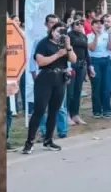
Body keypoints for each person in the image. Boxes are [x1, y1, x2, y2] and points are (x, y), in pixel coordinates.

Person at [22, 22, 76, 154]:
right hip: (45, 78)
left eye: (63, 32)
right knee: (39, 110)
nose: (60, 35)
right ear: (52, 31)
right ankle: (29, 142)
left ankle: (48, 140)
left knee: (54, 111)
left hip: (60, 79)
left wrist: (68, 47)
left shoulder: (65, 45)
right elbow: (40, 61)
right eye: (58, 31)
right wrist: (57, 55)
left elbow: (73, 60)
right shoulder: (43, 43)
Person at [87, 17, 111, 119]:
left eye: (101, 24)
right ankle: (97, 110)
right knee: (96, 86)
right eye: (96, 24)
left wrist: (110, 35)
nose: (99, 25)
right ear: (92, 26)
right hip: (94, 61)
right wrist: (96, 36)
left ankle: (107, 110)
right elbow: (92, 48)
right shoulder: (89, 36)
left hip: (106, 60)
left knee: (106, 85)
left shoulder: (106, 34)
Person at [65, 13, 90, 125]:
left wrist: (90, 65)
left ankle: (75, 114)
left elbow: (86, 52)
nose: (80, 25)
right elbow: (70, 44)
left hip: (82, 64)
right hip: (72, 64)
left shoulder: (83, 36)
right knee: (69, 92)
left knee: (77, 91)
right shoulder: (69, 35)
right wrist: (69, 26)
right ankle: (67, 114)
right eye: (77, 23)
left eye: (81, 23)